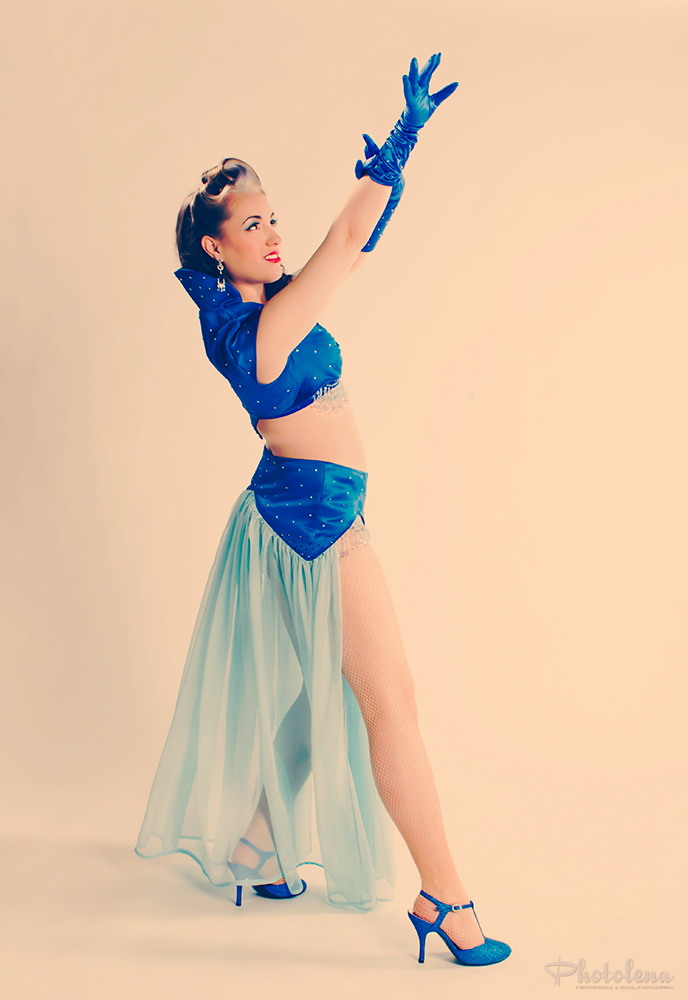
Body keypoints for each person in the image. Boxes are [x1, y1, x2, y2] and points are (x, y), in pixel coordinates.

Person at [135, 53, 511, 968]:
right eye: (250, 224)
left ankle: (261, 848)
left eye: (272, 217)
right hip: (312, 526)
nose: (272, 234)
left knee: (335, 692)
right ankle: (445, 896)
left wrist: (393, 158)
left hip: (317, 511)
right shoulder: (253, 335)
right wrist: (403, 140)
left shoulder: (271, 305)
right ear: (214, 248)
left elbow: (349, 240)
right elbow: (346, 240)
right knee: (392, 702)